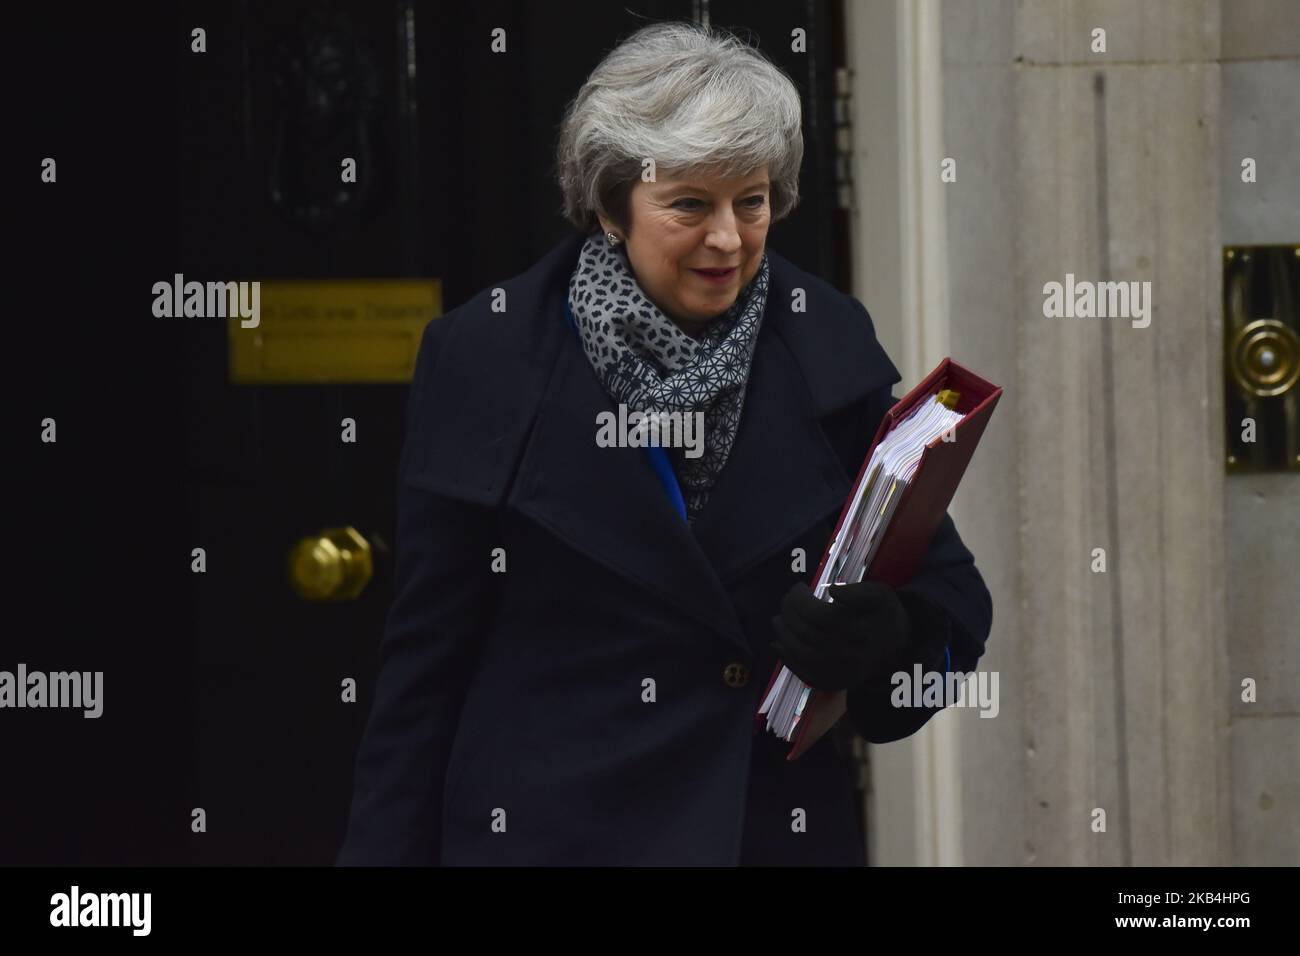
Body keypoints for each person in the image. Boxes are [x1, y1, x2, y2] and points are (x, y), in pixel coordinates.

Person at [337, 20, 991, 867]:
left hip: (763, 834)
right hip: (545, 836)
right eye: (690, 204)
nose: (729, 238)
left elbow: (954, 611)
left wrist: (884, 640)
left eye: (750, 201)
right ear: (611, 206)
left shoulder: (825, 340)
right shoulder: (487, 356)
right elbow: (423, 671)